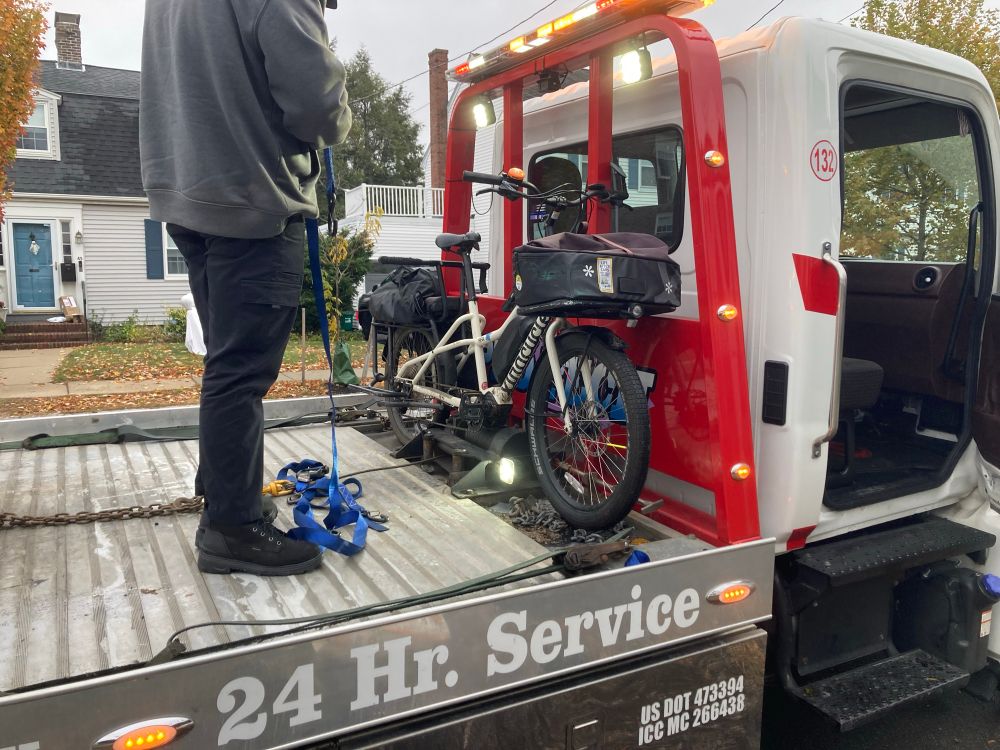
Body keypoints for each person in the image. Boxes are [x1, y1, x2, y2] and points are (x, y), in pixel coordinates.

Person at [140, 0, 352, 575]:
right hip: (251, 198)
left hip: (189, 191)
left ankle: (223, 489)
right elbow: (317, 107)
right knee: (242, 370)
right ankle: (232, 529)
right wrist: (340, 109)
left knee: (225, 361)